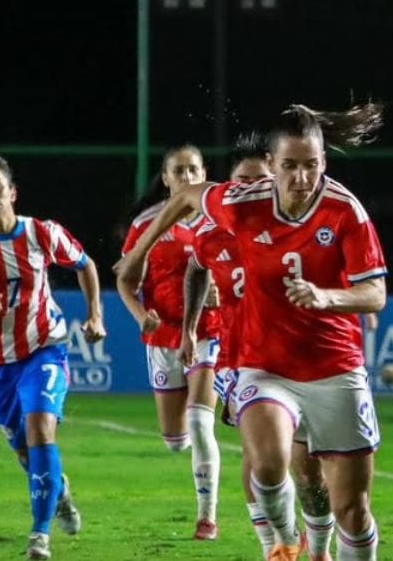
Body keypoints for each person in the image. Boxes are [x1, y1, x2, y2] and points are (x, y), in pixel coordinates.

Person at [117, 103, 387, 561]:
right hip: (264, 366)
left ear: (324, 162)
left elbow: (375, 293)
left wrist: (326, 297)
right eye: (290, 166)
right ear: (272, 165)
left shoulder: (346, 211)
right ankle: (282, 541)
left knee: (352, 510)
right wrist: (139, 253)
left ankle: (318, 544)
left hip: (334, 367)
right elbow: (186, 198)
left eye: (311, 165)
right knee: (267, 461)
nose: (301, 177)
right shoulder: (243, 202)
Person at [0, 154, 106, 560]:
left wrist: (95, 314)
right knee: (26, 450)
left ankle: (39, 535)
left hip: (44, 347)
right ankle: (59, 492)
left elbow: (85, 264)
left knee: (40, 428)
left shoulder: (42, 233)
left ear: (12, 192)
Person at [182, 132, 336, 559]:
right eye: (241, 182)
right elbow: (195, 269)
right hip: (241, 358)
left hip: (300, 357)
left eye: (259, 181)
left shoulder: (299, 228)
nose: (250, 189)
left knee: (308, 469)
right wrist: (190, 327)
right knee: (259, 457)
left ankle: (319, 548)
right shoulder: (211, 233)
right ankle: (276, 547)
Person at [118, 144, 223, 540]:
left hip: (208, 332)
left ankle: (207, 517)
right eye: (178, 171)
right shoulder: (147, 224)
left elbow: (243, 270)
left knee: (200, 422)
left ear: (204, 173)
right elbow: (126, 280)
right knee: (176, 441)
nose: (187, 177)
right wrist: (140, 316)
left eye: (193, 169)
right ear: (165, 178)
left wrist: (223, 294)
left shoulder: (219, 219)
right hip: (163, 338)